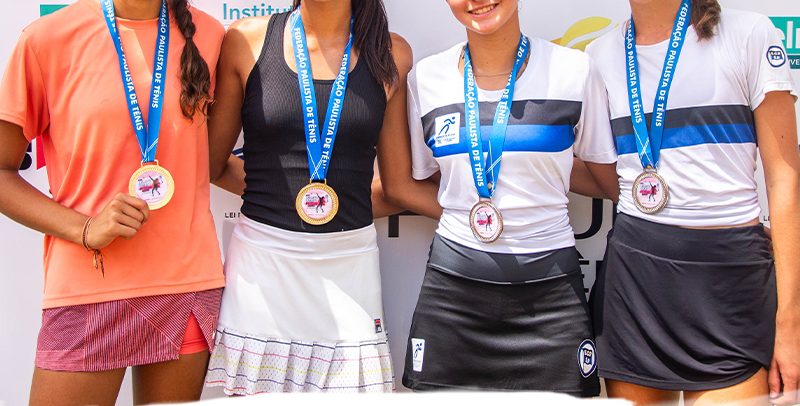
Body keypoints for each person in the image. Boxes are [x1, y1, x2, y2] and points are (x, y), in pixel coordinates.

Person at [378, 0, 619, 394]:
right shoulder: (427, 78)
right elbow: (427, 179)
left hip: (551, 295)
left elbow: (607, 178)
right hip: (453, 294)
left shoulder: (574, 70)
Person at [0, 0, 225, 404]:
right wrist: (85, 228)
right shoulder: (47, 38)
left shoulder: (210, 34)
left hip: (186, 284)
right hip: (88, 285)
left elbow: (222, 157)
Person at [586, 0, 800, 404]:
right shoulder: (600, 55)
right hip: (635, 281)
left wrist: (791, 323)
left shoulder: (749, 34)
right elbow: (608, 174)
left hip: (730, 283)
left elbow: (785, 179)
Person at [203, 0, 412, 394]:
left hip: (349, 264)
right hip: (264, 264)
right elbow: (211, 164)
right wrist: (282, 194)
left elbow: (397, 186)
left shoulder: (391, 53)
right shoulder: (246, 40)